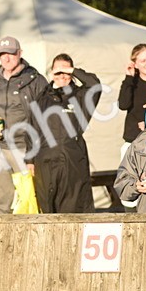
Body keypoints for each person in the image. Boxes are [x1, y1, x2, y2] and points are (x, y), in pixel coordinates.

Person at [0, 36, 53, 212]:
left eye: (11, 53)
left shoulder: (35, 80)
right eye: (2, 54)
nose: (6, 58)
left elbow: (46, 116)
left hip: (26, 148)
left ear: (20, 53)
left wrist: (35, 155)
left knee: (31, 196)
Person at [35, 54, 99, 213]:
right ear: (51, 73)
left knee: (74, 204)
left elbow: (94, 84)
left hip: (72, 158)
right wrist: (29, 160)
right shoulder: (41, 97)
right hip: (46, 159)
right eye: (58, 71)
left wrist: (71, 70)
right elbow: (32, 127)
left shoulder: (81, 95)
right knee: (48, 205)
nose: (62, 76)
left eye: (66, 71)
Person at [117, 43, 146, 164]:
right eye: (143, 60)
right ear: (135, 64)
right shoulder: (131, 82)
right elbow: (123, 105)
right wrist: (129, 78)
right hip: (134, 140)